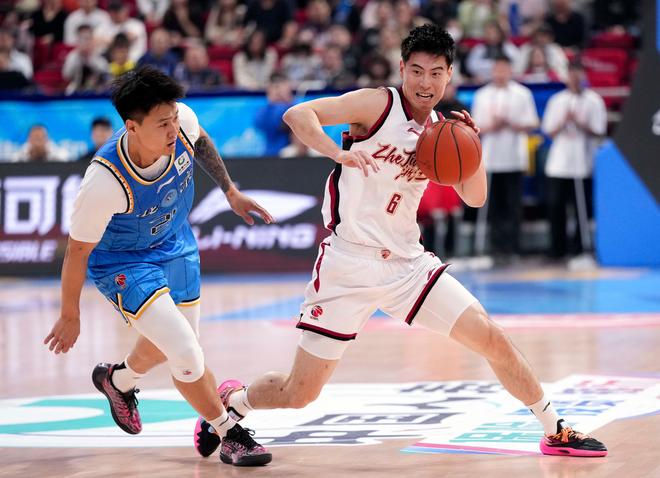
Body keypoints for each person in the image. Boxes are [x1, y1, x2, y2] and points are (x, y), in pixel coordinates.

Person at [198, 24, 607, 458]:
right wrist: (338, 153)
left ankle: (554, 428)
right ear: (402, 69)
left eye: (436, 73)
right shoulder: (378, 104)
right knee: (299, 393)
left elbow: (475, 197)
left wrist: (472, 148)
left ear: (449, 75)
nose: (425, 82)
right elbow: (297, 115)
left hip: (408, 265)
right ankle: (233, 403)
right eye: (417, 71)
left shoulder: (441, 130)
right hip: (348, 264)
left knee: (492, 337)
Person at [43, 66, 273, 467]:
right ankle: (227, 431)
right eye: (162, 124)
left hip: (175, 243)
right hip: (124, 262)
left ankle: (118, 380)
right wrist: (69, 313)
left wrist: (230, 190)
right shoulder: (103, 182)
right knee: (185, 352)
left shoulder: (181, 122)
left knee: (176, 345)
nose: (173, 129)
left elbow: (201, 141)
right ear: (132, 127)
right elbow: (76, 252)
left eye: (173, 118)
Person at [471, 53, 539, 261]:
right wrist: (492, 125)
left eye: (504, 69)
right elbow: (475, 127)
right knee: (494, 205)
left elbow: (533, 123)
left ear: (510, 70)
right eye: (497, 69)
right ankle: (496, 246)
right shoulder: (482, 95)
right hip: (491, 158)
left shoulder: (522, 93)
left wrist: (512, 123)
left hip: (514, 157)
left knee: (513, 204)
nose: (500, 73)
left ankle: (514, 246)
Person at [541, 61, 606, 259]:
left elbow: (599, 131)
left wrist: (580, 123)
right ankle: (557, 248)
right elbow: (548, 131)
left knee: (582, 208)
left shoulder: (594, 101)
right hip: (559, 163)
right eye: (572, 74)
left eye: (579, 74)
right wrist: (564, 121)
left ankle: (579, 247)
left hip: (582, 163)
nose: (575, 78)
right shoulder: (557, 100)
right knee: (556, 206)